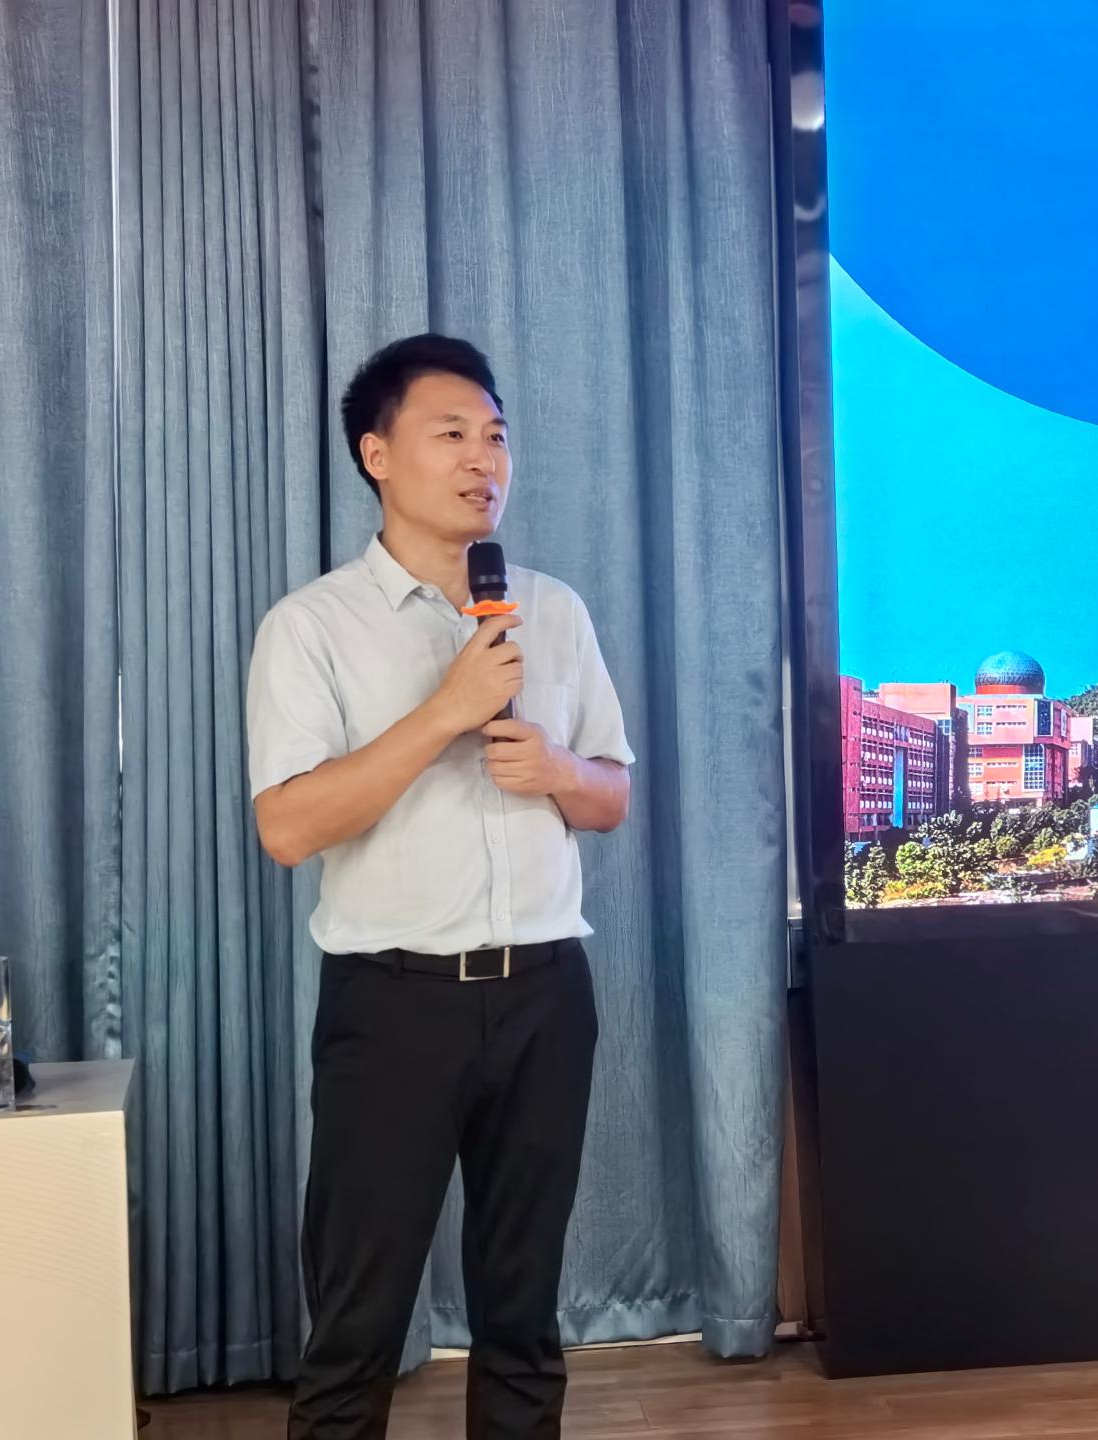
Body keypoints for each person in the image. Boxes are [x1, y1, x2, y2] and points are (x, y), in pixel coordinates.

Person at [246, 333, 633, 1439]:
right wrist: (444, 714)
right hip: (394, 1003)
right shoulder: (311, 627)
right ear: (376, 455)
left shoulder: (552, 610)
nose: (483, 459)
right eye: (451, 433)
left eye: (496, 436)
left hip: (547, 993)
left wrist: (558, 770)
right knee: (358, 1322)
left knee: (524, 1315)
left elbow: (612, 795)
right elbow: (287, 828)